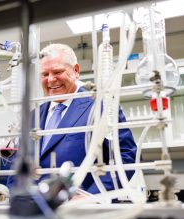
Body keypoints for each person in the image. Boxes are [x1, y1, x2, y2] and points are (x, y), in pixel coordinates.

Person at [7, 43, 137, 194]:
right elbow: (17, 165)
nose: (50, 80)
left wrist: (90, 197)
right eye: (44, 74)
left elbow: (126, 156)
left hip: (84, 209)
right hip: (36, 207)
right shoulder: (33, 116)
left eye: (57, 72)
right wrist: (17, 195)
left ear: (76, 71)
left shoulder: (101, 106)